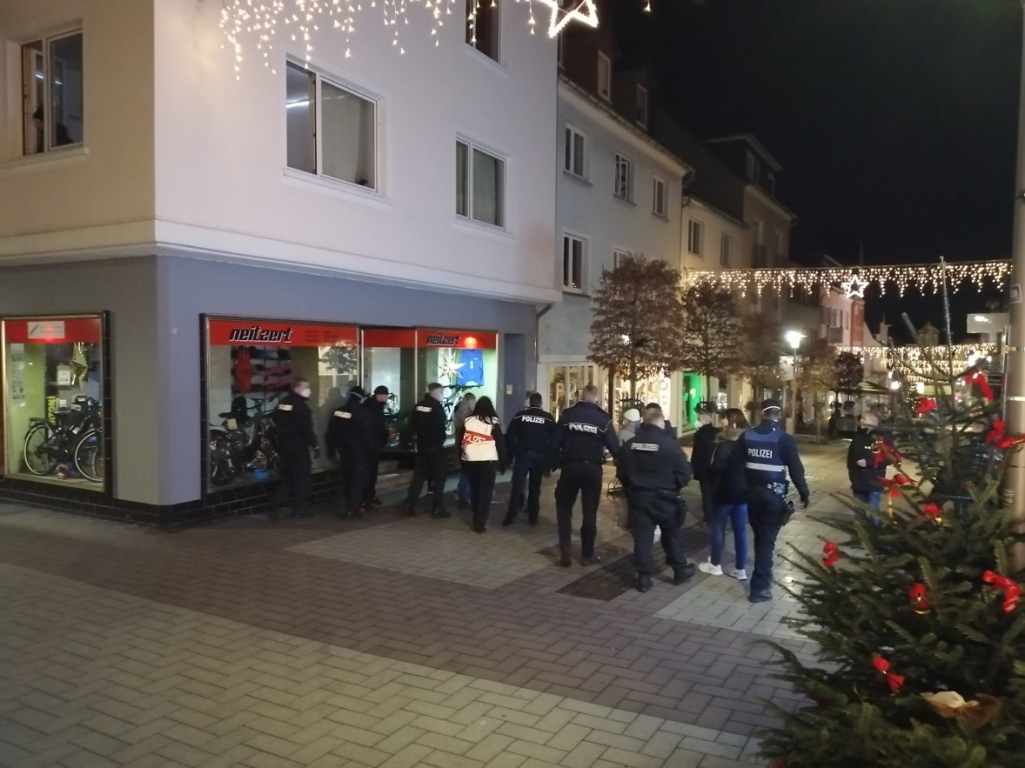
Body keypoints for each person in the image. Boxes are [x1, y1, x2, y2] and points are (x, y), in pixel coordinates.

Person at [617, 406, 696, 592]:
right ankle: (679, 570)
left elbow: (622, 472)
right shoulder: (669, 444)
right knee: (671, 533)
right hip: (665, 497)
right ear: (660, 422)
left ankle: (644, 577)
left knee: (642, 537)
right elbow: (685, 473)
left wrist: (632, 487)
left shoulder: (631, 444)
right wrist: (674, 485)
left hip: (639, 497)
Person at [740, 399, 810, 603]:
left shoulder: (747, 435)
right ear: (778, 415)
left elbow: (735, 465)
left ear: (762, 414)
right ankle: (759, 587)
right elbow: (796, 470)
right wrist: (804, 493)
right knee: (767, 541)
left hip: (752, 495)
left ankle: (765, 575)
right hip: (773, 497)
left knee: (759, 535)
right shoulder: (785, 439)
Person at [549, 384, 620, 567]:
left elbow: (554, 442)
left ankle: (565, 550)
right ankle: (587, 554)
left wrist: (551, 463)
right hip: (592, 470)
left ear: (581, 395)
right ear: (596, 398)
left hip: (570, 467)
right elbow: (615, 448)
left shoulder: (568, 415)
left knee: (564, 508)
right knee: (590, 512)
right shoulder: (603, 420)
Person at [698, 409, 749, 581]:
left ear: (728, 421)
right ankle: (740, 569)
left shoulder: (721, 444)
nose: (720, 422)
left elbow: (713, 468)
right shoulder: (749, 442)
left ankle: (715, 564)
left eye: (723, 419)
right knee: (740, 530)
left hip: (723, 491)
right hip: (743, 492)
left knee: (718, 527)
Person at [503, 392, 557, 526]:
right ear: (541, 403)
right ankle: (533, 518)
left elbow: (510, 435)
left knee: (517, 486)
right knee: (535, 488)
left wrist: (515, 451)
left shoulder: (520, 416)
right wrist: (549, 458)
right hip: (539, 456)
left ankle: (511, 517)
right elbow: (554, 439)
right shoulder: (548, 418)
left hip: (523, 455)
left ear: (530, 402)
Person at [325, 386, 376, 519]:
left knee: (347, 480)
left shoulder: (338, 411)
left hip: (343, 452)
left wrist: (331, 449)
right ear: (361, 397)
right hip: (358, 453)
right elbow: (368, 435)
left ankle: (348, 506)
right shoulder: (363, 412)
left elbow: (331, 432)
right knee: (357, 482)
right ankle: (352, 510)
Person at [271, 377, 318, 519]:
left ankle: (275, 505)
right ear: (297, 388)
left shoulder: (284, 403)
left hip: (284, 446)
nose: (308, 390)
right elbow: (307, 430)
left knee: (286, 476)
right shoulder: (301, 407)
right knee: (302, 478)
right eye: (305, 387)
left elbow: (275, 419)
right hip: (298, 446)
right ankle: (299, 509)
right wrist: (315, 445)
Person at [461, 396, 508, 533]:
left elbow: (461, 441)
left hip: (471, 460)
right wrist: (504, 461)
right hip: (487, 461)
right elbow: (500, 443)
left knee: (475, 491)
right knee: (486, 493)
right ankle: (480, 523)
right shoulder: (492, 422)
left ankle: (476, 518)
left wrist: (461, 458)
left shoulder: (469, 420)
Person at [404, 382, 450, 518]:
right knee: (440, 477)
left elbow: (411, 425)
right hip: (435, 447)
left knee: (419, 477)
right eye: (441, 392)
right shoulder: (437, 407)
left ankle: (409, 505)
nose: (442, 395)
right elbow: (441, 429)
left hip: (422, 447)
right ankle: (437, 507)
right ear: (436, 392)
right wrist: (441, 440)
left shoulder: (418, 406)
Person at [848, 408, 890, 512]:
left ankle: (874, 527)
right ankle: (860, 528)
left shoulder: (883, 437)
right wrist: (852, 473)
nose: (861, 420)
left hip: (874, 481)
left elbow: (890, 458)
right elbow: (851, 456)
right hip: (858, 482)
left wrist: (868, 462)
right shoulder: (858, 435)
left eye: (864, 418)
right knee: (859, 510)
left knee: (873, 511)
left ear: (873, 421)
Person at [689, 405, 720, 525]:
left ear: (706, 421)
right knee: (714, 491)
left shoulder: (700, 433)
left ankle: (709, 516)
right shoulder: (717, 432)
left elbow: (697, 452)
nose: (698, 422)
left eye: (699, 419)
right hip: (715, 467)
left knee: (706, 493)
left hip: (704, 468)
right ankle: (715, 513)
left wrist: (694, 466)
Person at [362, 385, 391, 508]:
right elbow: (376, 427)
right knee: (370, 473)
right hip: (370, 446)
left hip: (373, 445)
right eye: (385, 395)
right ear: (380, 395)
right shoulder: (372, 408)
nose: (387, 397)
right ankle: (367, 498)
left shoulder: (374, 406)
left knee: (372, 473)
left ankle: (370, 496)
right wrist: (385, 437)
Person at [453, 393, 477, 509]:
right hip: (468, 448)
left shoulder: (458, 415)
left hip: (459, 447)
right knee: (468, 475)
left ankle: (462, 496)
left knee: (464, 473)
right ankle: (465, 498)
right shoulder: (470, 417)